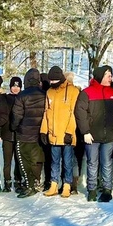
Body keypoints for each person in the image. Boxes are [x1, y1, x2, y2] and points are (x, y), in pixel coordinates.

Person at [75, 65, 113, 202]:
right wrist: (85, 131)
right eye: (108, 75)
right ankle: (92, 190)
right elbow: (80, 113)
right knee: (92, 163)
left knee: (107, 163)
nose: (111, 78)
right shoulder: (86, 93)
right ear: (100, 76)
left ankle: (107, 189)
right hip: (92, 135)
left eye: (111, 75)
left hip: (110, 136)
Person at [40, 66, 79, 198]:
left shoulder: (73, 91)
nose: (51, 83)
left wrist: (70, 131)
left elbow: (74, 113)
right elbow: (47, 112)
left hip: (66, 134)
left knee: (67, 162)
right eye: (50, 81)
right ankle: (54, 184)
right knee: (54, 161)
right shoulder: (49, 92)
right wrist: (43, 130)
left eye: (54, 80)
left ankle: (67, 185)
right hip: (53, 134)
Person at [11, 68, 47, 198]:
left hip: (24, 134)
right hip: (39, 134)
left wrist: (14, 127)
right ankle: (36, 182)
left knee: (24, 160)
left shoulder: (22, 95)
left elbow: (17, 115)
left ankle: (29, 185)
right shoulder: (44, 94)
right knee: (36, 160)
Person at [1, 76, 23, 192]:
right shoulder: (5, 98)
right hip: (7, 134)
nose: (15, 88)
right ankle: (7, 181)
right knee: (7, 160)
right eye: (13, 86)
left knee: (19, 160)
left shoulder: (23, 98)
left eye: (18, 86)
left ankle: (18, 181)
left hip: (19, 134)